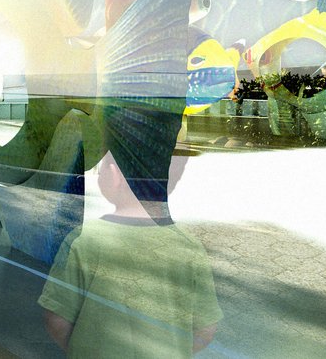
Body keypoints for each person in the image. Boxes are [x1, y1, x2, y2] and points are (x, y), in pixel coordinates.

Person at [38, 148, 221, 357]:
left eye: (101, 167)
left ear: (115, 175)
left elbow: (56, 319)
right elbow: (205, 329)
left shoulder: (83, 239)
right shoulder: (190, 248)